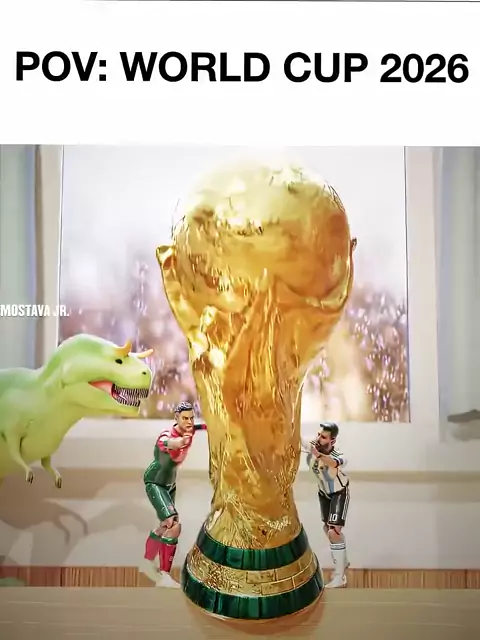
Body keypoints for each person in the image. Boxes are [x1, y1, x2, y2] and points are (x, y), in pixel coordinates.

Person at [140, 401, 206, 588]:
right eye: (185, 418)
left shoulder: (190, 429)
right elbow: (164, 442)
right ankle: (164, 575)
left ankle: (146, 563)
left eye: (191, 418)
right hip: (156, 483)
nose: (189, 422)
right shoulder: (168, 434)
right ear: (176, 418)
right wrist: (179, 442)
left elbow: (203, 427)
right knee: (173, 525)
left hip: (170, 484)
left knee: (164, 526)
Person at [301, 422, 350, 588]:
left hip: (338, 493)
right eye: (319, 435)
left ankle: (340, 576)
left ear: (332, 441)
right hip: (323, 493)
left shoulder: (339, 454)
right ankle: (343, 560)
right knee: (327, 528)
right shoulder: (313, 444)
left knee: (333, 532)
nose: (318, 439)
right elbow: (295, 437)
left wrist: (318, 455)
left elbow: (334, 463)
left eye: (323, 437)